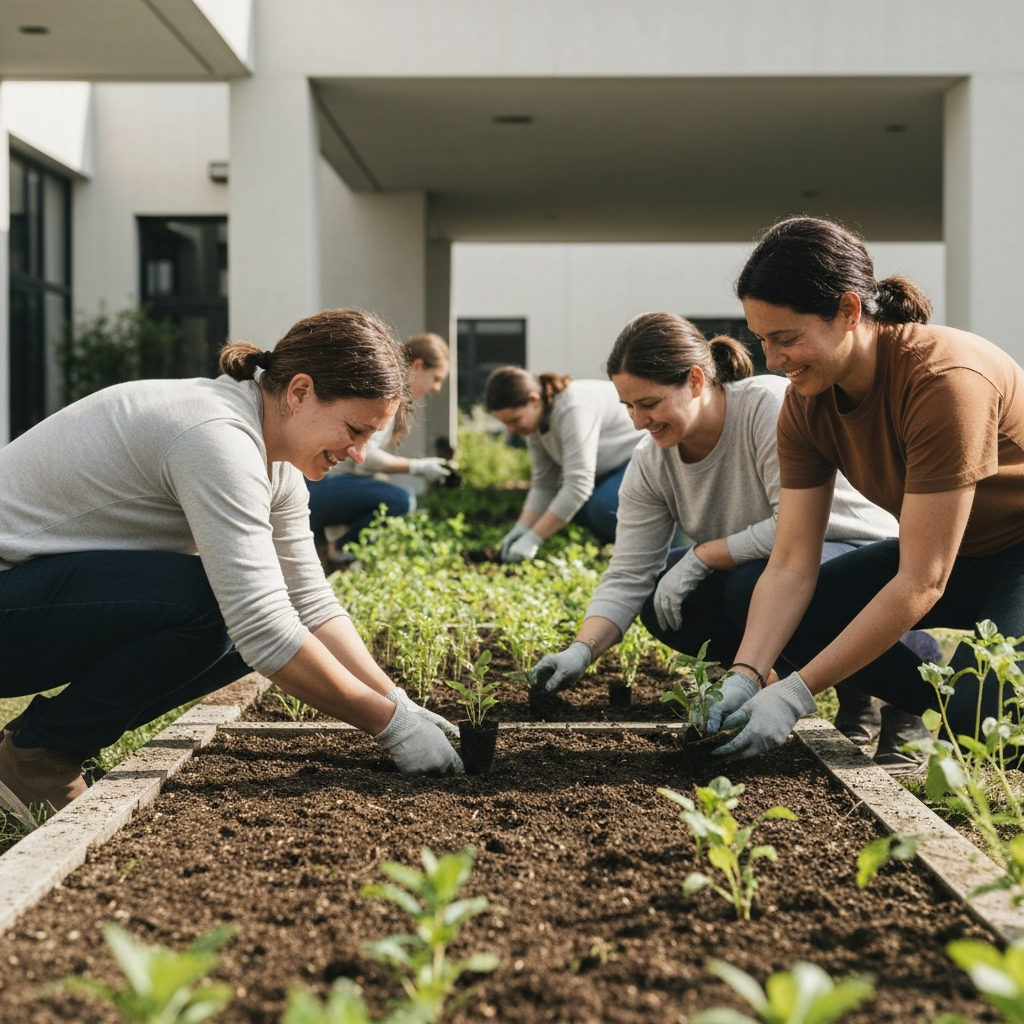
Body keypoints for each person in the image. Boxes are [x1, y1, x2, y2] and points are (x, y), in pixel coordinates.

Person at [0, 309, 461, 822]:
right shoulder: (215, 436)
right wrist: (389, 727)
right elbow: (261, 626)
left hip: (28, 598)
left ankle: (46, 745)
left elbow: (309, 600)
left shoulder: (274, 461)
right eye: (355, 429)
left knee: (251, 612)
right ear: (300, 391)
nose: (359, 453)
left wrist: (397, 700)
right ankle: (37, 757)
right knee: (224, 608)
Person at [528, 313, 928, 768]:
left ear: (696, 380)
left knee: (749, 586)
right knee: (664, 601)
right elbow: (629, 570)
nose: (639, 421)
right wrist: (582, 648)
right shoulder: (651, 462)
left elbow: (795, 530)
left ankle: (908, 706)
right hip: (777, 569)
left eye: (649, 403)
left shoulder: (768, 407)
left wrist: (703, 554)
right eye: (628, 407)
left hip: (856, 549)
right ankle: (856, 696)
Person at [697, 216, 1024, 762]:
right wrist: (747, 675)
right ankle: (949, 702)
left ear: (849, 310)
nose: (772, 361)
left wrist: (796, 695)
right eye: (762, 340)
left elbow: (922, 579)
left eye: (786, 338)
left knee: (990, 732)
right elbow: (790, 563)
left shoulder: (944, 380)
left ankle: (974, 706)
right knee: (753, 596)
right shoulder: (806, 402)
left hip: (1012, 555)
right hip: (963, 553)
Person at [307, 332, 452, 568]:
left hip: (319, 486)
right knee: (400, 500)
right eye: (436, 378)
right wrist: (418, 467)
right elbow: (363, 458)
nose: (436, 388)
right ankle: (339, 552)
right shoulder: (385, 396)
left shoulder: (386, 392)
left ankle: (331, 552)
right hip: (315, 486)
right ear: (417, 366)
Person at [485, 367, 641, 560]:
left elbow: (578, 486)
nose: (511, 430)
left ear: (534, 400)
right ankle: (619, 549)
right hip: (611, 466)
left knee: (601, 508)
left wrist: (532, 538)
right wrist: (521, 529)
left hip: (642, 456)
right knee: (572, 509)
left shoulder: (572, 408)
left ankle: (648, 553)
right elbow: (544, 485)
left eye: (514, 420)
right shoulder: (536, 423)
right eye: (506, 424)